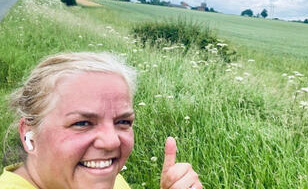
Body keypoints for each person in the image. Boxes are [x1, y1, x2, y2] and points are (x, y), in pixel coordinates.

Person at [0, 52, 202, 189]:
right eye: (82, 123)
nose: (112, 141)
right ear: (29, 135)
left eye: (123, 122)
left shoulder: (111, 181)